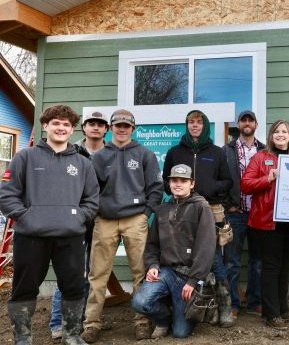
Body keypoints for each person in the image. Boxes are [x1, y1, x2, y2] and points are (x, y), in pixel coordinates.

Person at [0, 105, 100, 345]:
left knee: (74, 287)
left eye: (66, 125)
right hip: (31, 236)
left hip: (70, 237)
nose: (61, 128)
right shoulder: (25, 157)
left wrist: (77, 218)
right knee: (24, 289)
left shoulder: (83, 163)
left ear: (72, 129)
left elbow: (92, 199)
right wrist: (26, 217)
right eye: (56, 123)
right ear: (45, 126)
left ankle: (72, 335)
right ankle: (23, 338)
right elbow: (7, 194)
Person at [83, 109, 164, 343]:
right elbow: (90, 189)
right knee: (98, 274)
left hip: (135, 219)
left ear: (133, 129)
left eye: (126, 126)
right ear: (110, 128)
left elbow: (156, 188)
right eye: (117, 125)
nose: (121, 129)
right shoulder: (98, 157)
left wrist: (146, 214)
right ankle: (92, 324)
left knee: (140, 273)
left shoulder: (144, 154)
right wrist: (98, 211)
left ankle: (141, 322)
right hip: (105, 220)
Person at [162, 109, 234, 327]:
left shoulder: (217, 152)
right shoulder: (175, 152)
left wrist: (212, 188)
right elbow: (166, 182)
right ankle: (187, 304)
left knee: (212, 255)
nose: (195, 125)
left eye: (199, 122)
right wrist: (180, 191)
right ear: (186, 125)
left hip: (210, 209)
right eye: (191, 122)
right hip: (181, 209)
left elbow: (228, 181)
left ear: (204, 126)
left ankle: (225, 306)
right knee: (184, 253)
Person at [131, 164, 216, 339]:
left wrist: (193, 281)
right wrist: (153, 265)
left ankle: (181, 315)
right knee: (139, 302)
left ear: (192, 183)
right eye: (174, 180)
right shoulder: (163, 209)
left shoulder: (201, 207)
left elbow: (206, 248)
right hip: (166, 272)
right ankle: (163, 319)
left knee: (180, 333)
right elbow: (152, 244)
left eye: (183, 180)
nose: (178, 184)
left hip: (188, 276)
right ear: (169, 184)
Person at [49, 110, 109, 341]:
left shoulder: (112, 153)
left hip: (102, 219)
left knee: (93, 272)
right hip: (74, 218)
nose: (95, 127)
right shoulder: (70, 150)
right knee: (70, 270)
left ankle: (81, 321)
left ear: (106, 129)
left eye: (100, 124)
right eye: (91, 124)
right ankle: (57, 322)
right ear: (83, 128)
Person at [241, 120, 289, 328]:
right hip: (267, 222)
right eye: (277, 131)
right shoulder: (261, 157)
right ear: (271, 135)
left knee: (284, 267)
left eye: (284, 131)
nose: (281, 134)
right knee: (271, 267)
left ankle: (282, 309)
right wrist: (268, 178)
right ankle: (271, 313)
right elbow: (245, 185)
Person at [223, 110, 266, 317]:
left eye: (250, 120)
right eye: (243, 120)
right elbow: (221, 180)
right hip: (236, 213)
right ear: (238, 125)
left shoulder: (265, 150)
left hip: (258, 213)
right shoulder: (226, 150)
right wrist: (227, 204)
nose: (247, 123)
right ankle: (233, 303)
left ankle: (254, 301)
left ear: (256, 124)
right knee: (231, 261)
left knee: (257, 261)